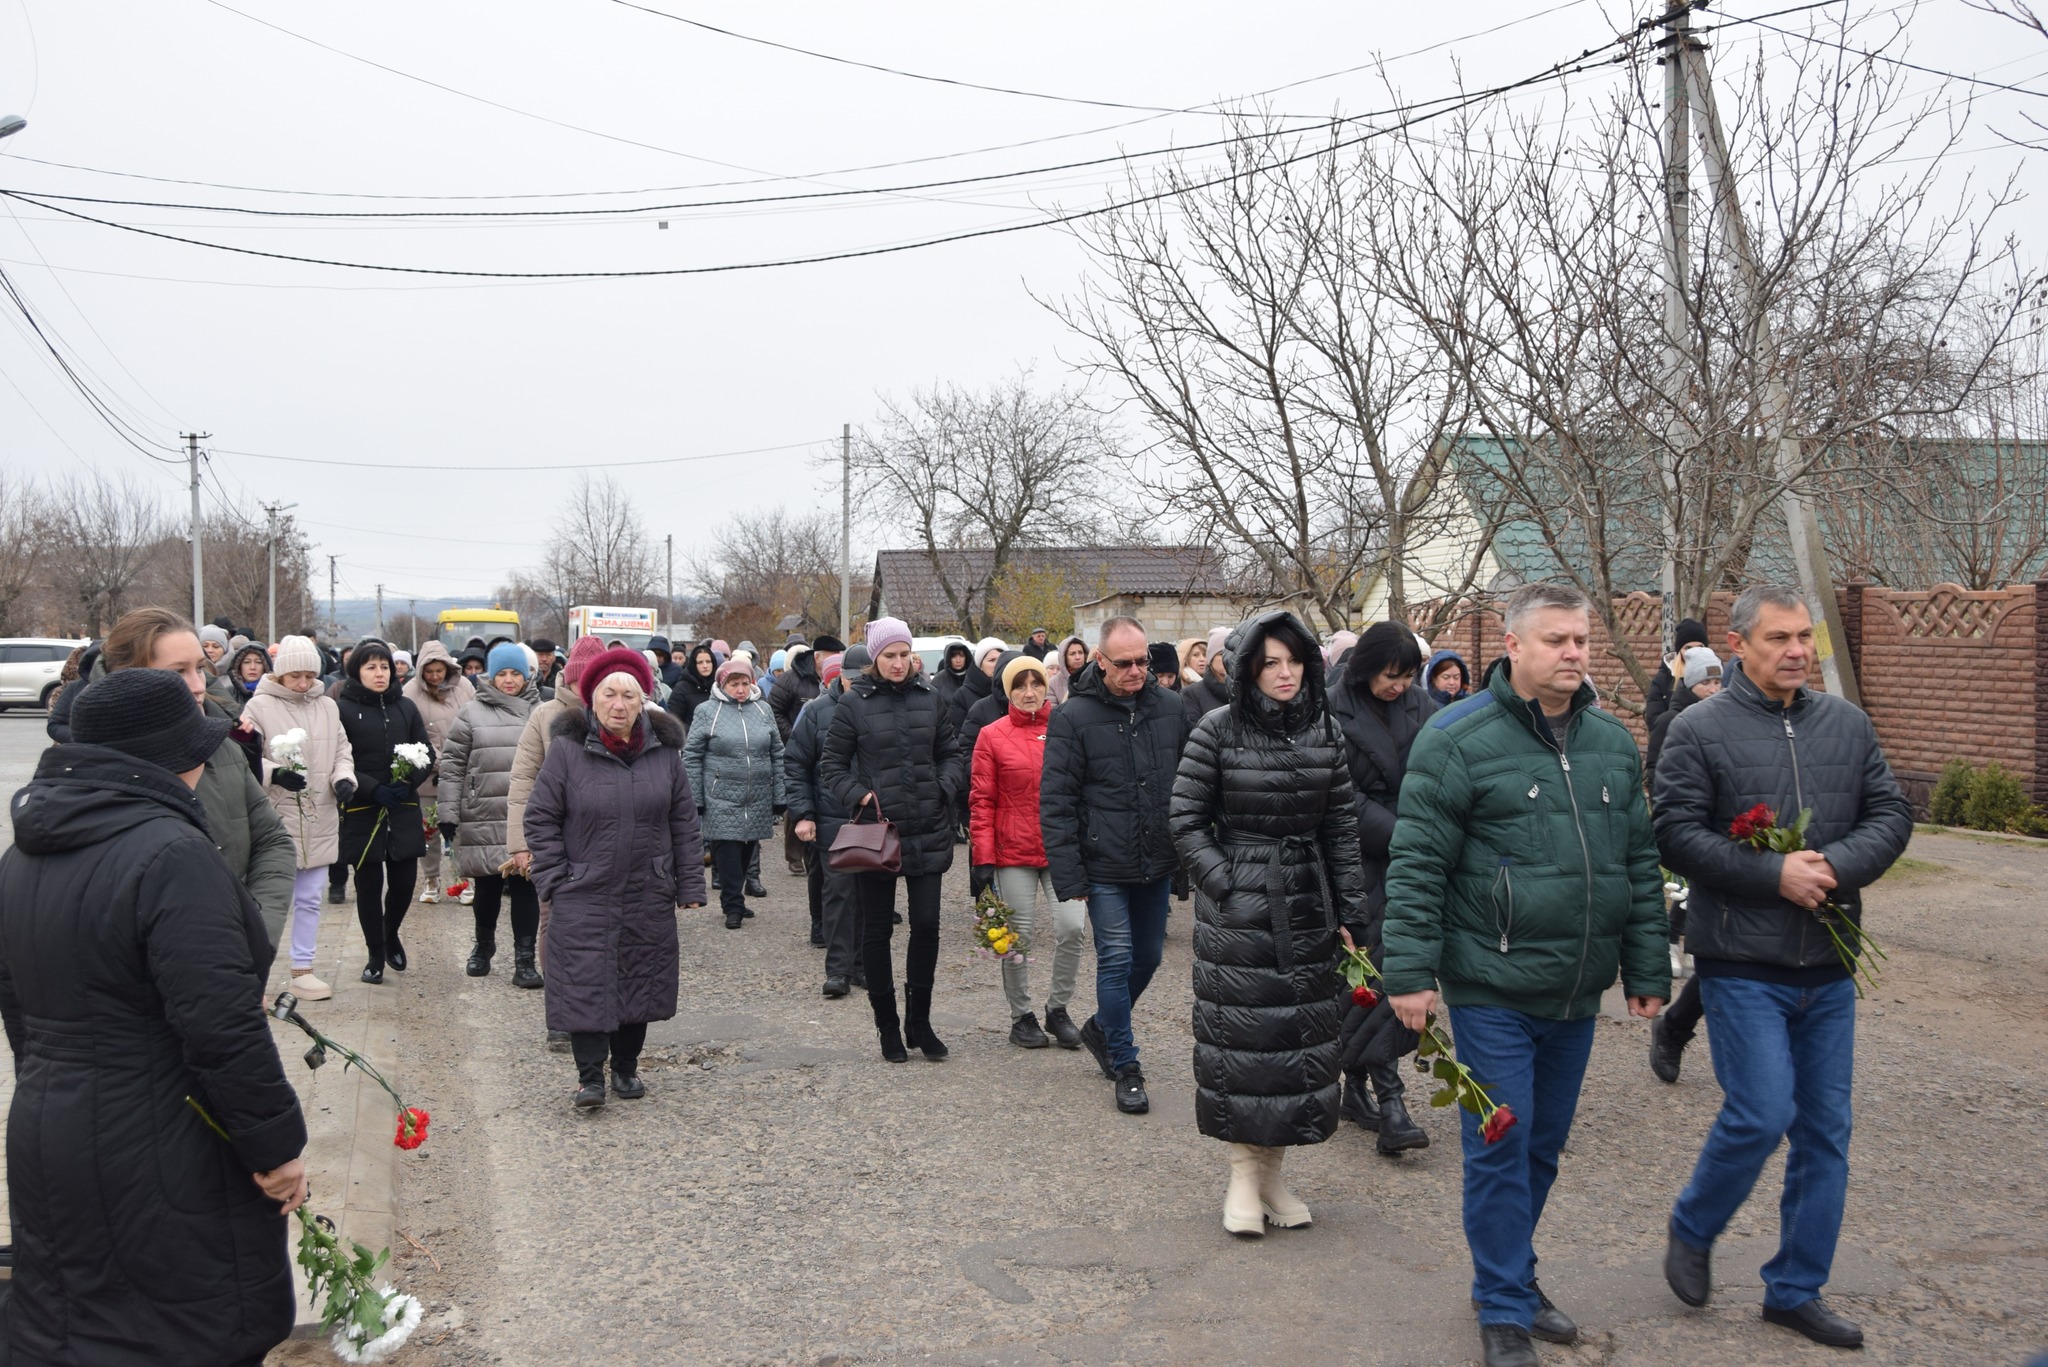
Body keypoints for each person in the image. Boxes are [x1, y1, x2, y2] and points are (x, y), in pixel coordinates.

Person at [1381, 582, 1668, 1367]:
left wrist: (1646, 964)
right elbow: (1417, 862)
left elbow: (1637, 863)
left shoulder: (1611, 741)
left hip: (1575, 988)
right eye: (1557, 640)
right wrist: (1409, 972)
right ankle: (1504, 1303)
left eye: (1581, 639)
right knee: (1500, 1141)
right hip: (1490, 983)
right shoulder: (1457, 737)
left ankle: (1510, 1271)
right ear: (1513, 647)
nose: (1575, 652)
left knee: (1542, 1145)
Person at [0, 668, 309, 1367]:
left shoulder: (21, 857)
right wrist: (276, 1151)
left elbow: (18, 1010)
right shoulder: (172, 855)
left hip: (51, 1130)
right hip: (164, 1139)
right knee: (184, 1330)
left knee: (74, 1327)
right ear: (173, 758)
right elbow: (222, 1025)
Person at [1653, 586, 1912, 1350]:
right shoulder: (1699, 729)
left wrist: (1831, 865)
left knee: (1826, 1131)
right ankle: (1694, 1222)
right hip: (1742, 960)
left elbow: (1891, 814)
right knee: (1763, 1111)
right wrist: (1773, 876)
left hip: (1828, 961)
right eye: (1779, 638)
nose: (1797, 650)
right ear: (1740, 645)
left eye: (1805, 636)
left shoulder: (1847, 723)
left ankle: (1796, 1287)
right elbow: (1673, 832)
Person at [1171, 611, 1365, 1235]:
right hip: (1241, 912)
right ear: (1249, 667)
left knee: (1299, 1045)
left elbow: (1340, 827)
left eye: (1295, 661)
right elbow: (1185, 820)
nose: (1285, 674)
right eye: (1271, 662)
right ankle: (1241, 1176)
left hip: (1308, 904)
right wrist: (1226, 884)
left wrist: (1352, 911)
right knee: (1246, 1043)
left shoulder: (1326, 732)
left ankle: (1272, 1175)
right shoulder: (1217, 729)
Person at [47, 607, 298, 946]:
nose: (198, 686)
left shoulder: (222, 746)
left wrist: (253, 943)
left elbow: (272, 842)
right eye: (178, 672)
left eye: (199, 668)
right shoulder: (88, 763)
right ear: (128, 674)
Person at [525, 648, 705, 1107]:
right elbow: (541, 819)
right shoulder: (565, 752)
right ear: (591, 699)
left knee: (638, 978)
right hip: (582, 890)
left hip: (647, 888)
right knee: (584, 978)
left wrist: (688, 885)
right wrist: (555, 879)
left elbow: (683, 822)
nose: (619, 704)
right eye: (610, 694)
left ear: (644, 700)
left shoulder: (665, 756)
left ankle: (626, 1069)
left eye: (630, 695)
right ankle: (590, 1078)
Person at [1041, 615, 1190, 1115]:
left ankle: (1102, 1027)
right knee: (1117, 958)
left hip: (1156, 858)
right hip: (1103, 862)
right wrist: (1070, 874)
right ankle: (1126, 1065)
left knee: (1148, 958)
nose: (1135, 670)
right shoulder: (1073, 717)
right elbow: (1056, 801)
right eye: (1123, 662)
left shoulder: (1172, 708)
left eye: (1142, 660)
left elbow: (1190, 787)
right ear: (1099, 661)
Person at [818, 617, 961, 1063]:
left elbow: (952, 753)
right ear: (875, 658)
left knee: (928, 926)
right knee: (877, 931)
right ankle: (887, 1027)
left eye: (904, 654)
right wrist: (860, 794)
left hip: (928, 829)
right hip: (877, 834)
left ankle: (921, 1021)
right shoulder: (853, 704)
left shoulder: (931, 698)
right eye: (889, 656)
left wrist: (943, 787)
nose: (898, 664)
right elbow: (831, 766)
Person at [1326, 620, 1436, 1154]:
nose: (1400, 685)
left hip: (1414, 860)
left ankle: (1356, 1088)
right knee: (1373, 975)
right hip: (1356, 859)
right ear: (1367, 667)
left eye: (1409, 675)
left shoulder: (1423, 707)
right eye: (1392, 676)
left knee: (1401, 969)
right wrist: (1407, 834)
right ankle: (1391, 1102)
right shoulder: (1331, 711)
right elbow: (1338, 795)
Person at [970, 655, 1088, 1050]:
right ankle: (1021, 1015)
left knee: (1073, 928)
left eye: (1035, 683)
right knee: (1016, 938)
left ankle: (1058, 1009)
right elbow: (981, 801)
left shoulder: (1067, 727)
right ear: (1008, 691)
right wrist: (982, 858)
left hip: (1061, 850)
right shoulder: (991, 735)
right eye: (1019, 685)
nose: (1029, 692)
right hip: (1013, 852)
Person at [242, 634, 356, 1003]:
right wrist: (273, 772)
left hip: (319, 811)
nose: (304, 684)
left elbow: (342, 749)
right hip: (276, 813)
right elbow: (242, 756)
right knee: (267, 901)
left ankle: (303, 969)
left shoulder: (326, 706)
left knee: (310, 897)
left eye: (310, 675)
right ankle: (252, 975)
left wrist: (343, 778)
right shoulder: (258, 707)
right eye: (296, 677)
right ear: (281, 674)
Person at [506, 635, 605, 1051]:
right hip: (556, 840)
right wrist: (520, 845)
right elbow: (522, 780)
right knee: (555, 923)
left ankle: (603, 1010)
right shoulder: (544, 715)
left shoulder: (622, 710)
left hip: (608, 840)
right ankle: (561, 1014)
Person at [438, 642, 545, 987]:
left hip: (527, 814)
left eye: (516, 673)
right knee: (486, 887)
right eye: (503, 674)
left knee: (525, 886)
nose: (510, 680)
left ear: (526, 675)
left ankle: (525, 960)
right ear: (491, 676)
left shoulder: (540, 711)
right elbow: (453, 765)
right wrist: (448, 813)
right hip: (483, 811)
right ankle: (483, 946)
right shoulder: (471, 713)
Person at [335, 638, 433, 984]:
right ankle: (375, 953)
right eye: (371, 667)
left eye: (385, 667)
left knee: (405, 881)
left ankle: (391, 932)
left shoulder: (405, 707)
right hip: (363, 806)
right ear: (356, 671)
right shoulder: (342, 708)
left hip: (402, 805)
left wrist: (409, 781)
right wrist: (371, 787)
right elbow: (337, 757)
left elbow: (426, 751)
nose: (380, 674)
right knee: (368, 885)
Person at [684, 654, 788, 930]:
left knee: (747, 849)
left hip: (756, 795)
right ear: (722, 685)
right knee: (727, 851)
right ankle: (732, 905)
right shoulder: (707, 711)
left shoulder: (763, 710)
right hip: (721, 795)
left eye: (744, 683)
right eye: (734, 684)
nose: (740, 689)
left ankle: (736, 897)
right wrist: (696, 798)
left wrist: (780, 795)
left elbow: (777, 752)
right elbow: (692, 755)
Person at [786, 648, 867, 995]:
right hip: (832, 817)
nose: (859, 686)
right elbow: (797, 764)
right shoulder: (817, 712)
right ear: (840, 677)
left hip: (872, 816)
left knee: (870, 897)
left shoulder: (881, 708)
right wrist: (804, 814)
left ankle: (863, 965)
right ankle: (838, 970)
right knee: (837, 895)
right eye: (854, 680)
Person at [403, 639, 475, 905]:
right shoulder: (410, 692)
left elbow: (474, 721)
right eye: (429, 671)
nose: (435, 676)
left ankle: (463, 879)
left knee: (460, 828)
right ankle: (431, 878)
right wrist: (432, 761)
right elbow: (411, 731)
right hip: (428, 773)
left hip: (461, 768)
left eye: (439, 670)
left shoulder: (465, 687)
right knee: (428, 829)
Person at [770, 643, 822, 876]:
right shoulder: (790, 679)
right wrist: (791, 733)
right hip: (793, 745)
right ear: (816, 657)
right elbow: (774, 710)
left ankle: (813, 853)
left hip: (822, 747)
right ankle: (794, 855)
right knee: (796, 801)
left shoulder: (834, 677)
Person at [1643, 617, 1711, 737]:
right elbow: (1654, 719)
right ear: (1679, 651)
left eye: (1700, 647)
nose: (1694, 652)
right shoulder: (1663, 679)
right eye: (1688, 648)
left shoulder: (1717, 675)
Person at [206, 640, 271, 722]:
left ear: (266, 666)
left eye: (258, 662)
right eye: (247, 662)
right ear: (239, 666)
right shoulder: (228, 693)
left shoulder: (274, 694)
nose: (252, 667)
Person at [1182, 626, 1232, 726]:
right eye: (1221, 653)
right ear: (1211, 658)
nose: (1228, 657)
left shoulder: (1249, 689)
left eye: (1233, 652)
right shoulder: (1191, 694)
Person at [671, 642, 718, 730]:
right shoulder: (681, 688)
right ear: (693, 664)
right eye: (700, 662)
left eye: (708, 661)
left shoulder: (719, 687)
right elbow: (673, 720)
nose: (705, 666)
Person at [932, 640, 973, 716]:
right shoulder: (938, 680)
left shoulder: (974, 677)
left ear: (966, 657)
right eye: (953, 656)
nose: (958, 660)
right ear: (948, 658)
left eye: (961, 656)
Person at [1046, 634, 1089, 706]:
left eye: (1080, 652)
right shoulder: (1052, 684)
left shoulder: (1094, 677)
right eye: (1072, 654)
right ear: (1064, 657)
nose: (1078, 657)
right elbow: (1053, 714)